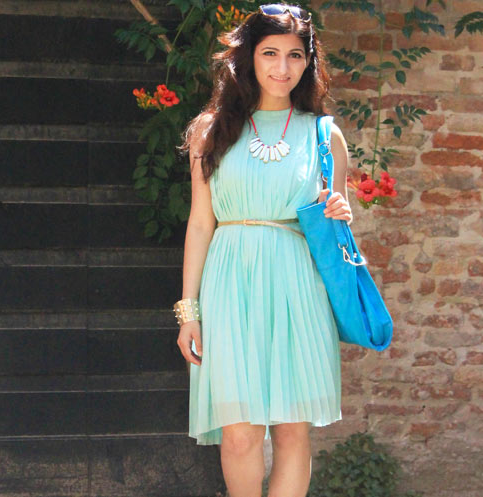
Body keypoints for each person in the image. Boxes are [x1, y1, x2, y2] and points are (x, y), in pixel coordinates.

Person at [173, 4, 353, 497]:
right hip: (230, 285)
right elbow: (200, 223)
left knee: (292, 429)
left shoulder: (324, 134)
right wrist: (189, 312)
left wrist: (339, 213)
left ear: (308, 62)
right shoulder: (211, 132)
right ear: (247, 58)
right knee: (239, 434)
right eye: (270, 53)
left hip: (298, 285)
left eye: (295, 55)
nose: (282, 67)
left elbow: (333, 229)